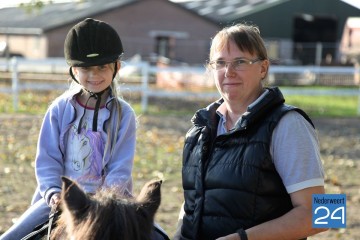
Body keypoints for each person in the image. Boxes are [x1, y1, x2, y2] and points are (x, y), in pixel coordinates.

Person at [173, 23, 328, 240]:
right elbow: (194, 203)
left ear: (263, 68)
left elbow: (325, 216)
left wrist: (242, 239)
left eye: (240, 62)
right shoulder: (199, 129)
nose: (229, 71)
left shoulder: (290, 125)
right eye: (220, 63)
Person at [0, 18, 136, 240]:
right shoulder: (59, 110)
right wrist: (53, 192)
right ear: (74, 70)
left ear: (116, 67)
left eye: (102, 67)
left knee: (156, 235)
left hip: (110, 202)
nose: (94, 76)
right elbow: (47, 159)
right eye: (86, 68)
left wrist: (103, 201)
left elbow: (121, 167)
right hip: (62, 198)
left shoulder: (124, 115)